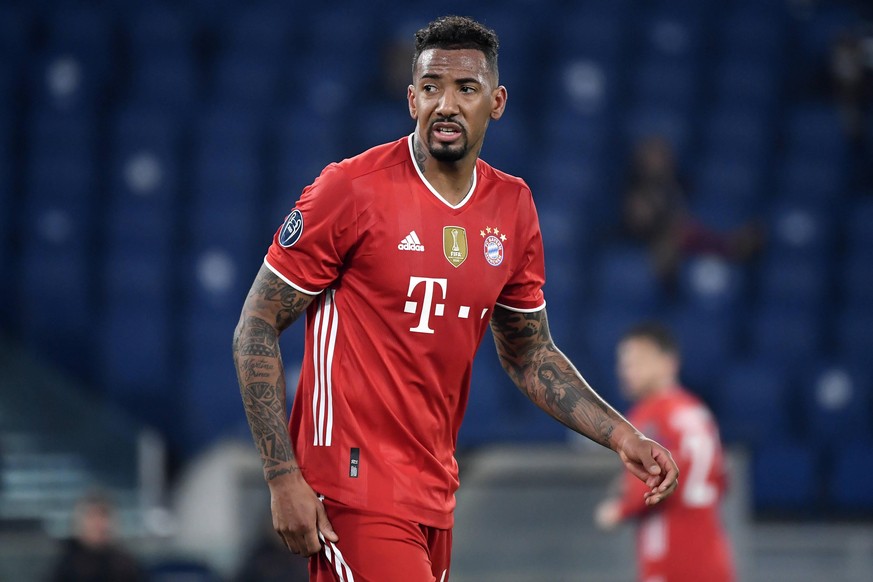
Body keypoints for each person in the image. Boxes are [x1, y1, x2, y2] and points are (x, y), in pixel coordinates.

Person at [232, 16, 679, 582]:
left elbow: (530, 354)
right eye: (432, 87)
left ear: (496, 101)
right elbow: (256, 323)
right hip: (349, 486)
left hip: (434, 491)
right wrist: (281, 476)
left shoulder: (512, 208)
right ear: (411, 97)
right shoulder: (350, 189)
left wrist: (623, 435)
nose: (447, 103)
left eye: (466, 88)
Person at [594, 322, 734, 582]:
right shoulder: (697, 411)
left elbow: (656, 481)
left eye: (636, 362)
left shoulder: (649, 416)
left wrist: (617, 509)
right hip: (713, 555)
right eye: (624, 363)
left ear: (667, 362)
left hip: (671, 557)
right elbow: (722, 478)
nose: (626, 371)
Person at [621, 135, 763, 289]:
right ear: (641, 161)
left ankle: (728, 246)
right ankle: (726, 247)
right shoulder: (634, 189)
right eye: (652, 155)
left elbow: (691, 213)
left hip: (687, 238)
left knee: (690, 232)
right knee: (671, 245)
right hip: (652, 243)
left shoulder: (682, 184)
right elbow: (638, 223)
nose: (658, 160)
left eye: (662, 154)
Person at [47, 490, 145, 582]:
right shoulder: (64, 566)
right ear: (79, 522)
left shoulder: (126, 565)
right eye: (92, 516)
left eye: (103, 516)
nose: (98, 524)